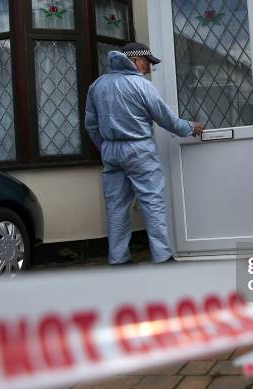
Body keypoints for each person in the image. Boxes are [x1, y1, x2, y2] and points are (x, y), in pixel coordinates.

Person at [85, 42, 204, 265]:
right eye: (148, 62)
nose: (149, 67)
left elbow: (90, 124)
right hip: (138, 148)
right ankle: (162, 257)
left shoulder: (97, 85)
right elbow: (164, 117)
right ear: (136, 61)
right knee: (152, 202)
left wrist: (106, 147)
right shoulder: (141, 85)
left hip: (111, 150)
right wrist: (189, 128)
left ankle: (118, 260)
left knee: (116, 206)